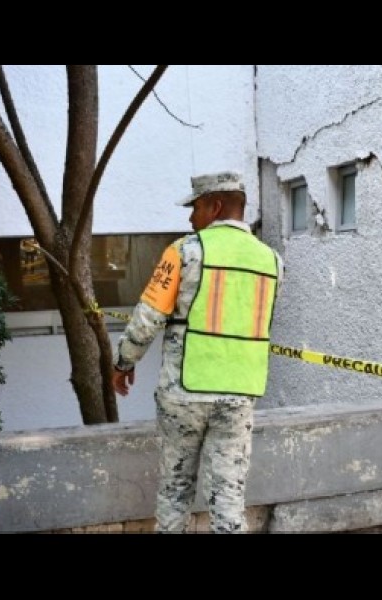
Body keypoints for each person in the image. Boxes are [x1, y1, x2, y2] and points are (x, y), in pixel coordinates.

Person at [112, 171, 284, 533]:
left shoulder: (184, 251)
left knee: (175, 490)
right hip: (240, 392)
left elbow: (147, 318)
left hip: (185, 390)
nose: (191, 218)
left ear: (215, 206)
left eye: (196, 208)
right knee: (229, 499)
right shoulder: (272, 261)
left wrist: (124, 362)